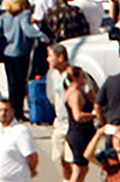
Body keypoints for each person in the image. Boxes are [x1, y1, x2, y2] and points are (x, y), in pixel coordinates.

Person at [0, 0, 43, 121]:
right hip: (20, 53)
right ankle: (18, 112)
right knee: (20, 84)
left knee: (12, 84)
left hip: (7, 53)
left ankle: (13, 110)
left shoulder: (5, 16)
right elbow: (27, 30)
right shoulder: (24, 15)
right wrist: (41, 35)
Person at [0, 99, 38, 182]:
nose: (3, 113)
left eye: (6, 110)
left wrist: (31, 170)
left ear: (12, 111)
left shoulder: (21, 131)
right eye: (0, 110)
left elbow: (32, 156)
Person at [45, 44, 74, 182]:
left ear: (61, 57)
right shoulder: (52, 74)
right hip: (59, 122)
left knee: (72, 159)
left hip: (71, 124)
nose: (47, 59)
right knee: (61, 158)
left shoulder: (72, 74)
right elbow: (51, 95)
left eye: (51, 56)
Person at [64, 67, 95, 182]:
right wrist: (93, 115)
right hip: (79, 134)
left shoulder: (81, 92)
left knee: (83, 168)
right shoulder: (75, 94)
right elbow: (77, 116)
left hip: (82, 133)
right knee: (79, 169)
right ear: (74, 78)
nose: (85, 79)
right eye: (82, 76)